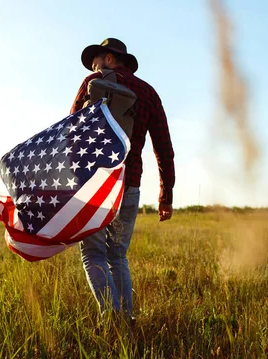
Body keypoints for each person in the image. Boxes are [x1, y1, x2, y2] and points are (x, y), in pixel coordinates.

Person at [71, 38, 175, 318]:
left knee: (93, 254)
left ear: (108, 58)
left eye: (96, 61)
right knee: (117, 256)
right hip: (129, 183)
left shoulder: (92, 83)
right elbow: (164, 148)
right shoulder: (149, 93)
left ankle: (111, 321)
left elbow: (71, 132)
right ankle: (126, 320)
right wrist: (166, 196)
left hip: (94, 183)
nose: (94, 67)